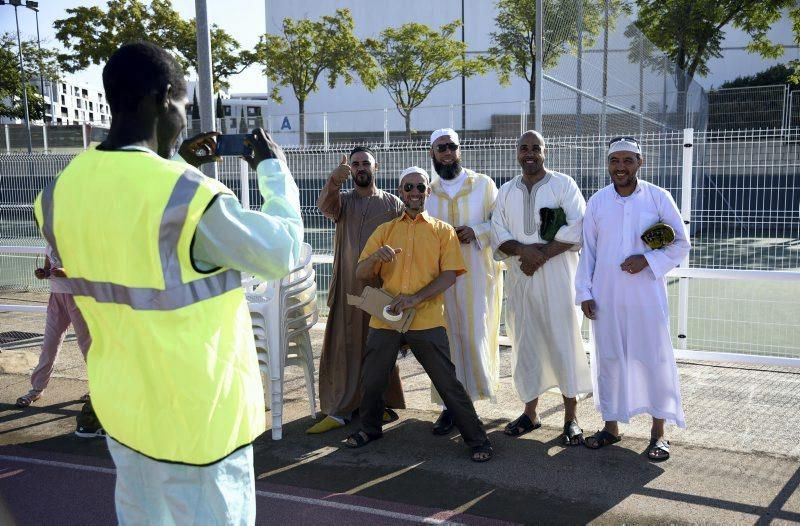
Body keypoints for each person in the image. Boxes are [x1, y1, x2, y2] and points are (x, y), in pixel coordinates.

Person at [33, 42, 303, 524]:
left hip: (127, 416)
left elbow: (129, 221)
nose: (183, 120)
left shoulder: (56, 195)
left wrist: (176, 162)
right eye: (183, 107)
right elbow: (280, 251)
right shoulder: (190, 198)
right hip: (200, 424)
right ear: (161, 100)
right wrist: (273, 170)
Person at [344, 166, 493, 462]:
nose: (414, 193)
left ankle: (478, 440)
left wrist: (414, 299)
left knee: (447, 382)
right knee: (373, 379)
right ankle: (371, 429)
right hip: (387, 317)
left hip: (426, 318)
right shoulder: (385, 230)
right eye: (409, 188)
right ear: (401, 192)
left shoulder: (442, 231)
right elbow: (361, 273)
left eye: (420, 188)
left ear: (427, 192)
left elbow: (450, 275)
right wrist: (376, 257)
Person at [575, 136, 691, 462]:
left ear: (640, 162)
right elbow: (589, 252)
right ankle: (611, 428)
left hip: (646, 297)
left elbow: (681, 244)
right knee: (609, 359)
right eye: (615, 161)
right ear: (608, 164)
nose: (620, 167)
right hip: (606, 296)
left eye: (627, 160)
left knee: (653, 360)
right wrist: (585, 292)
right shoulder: (597, 202)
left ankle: (659, 434)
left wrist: (648, 261)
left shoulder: (658, 197)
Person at [490, 130, 592, 445]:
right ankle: (530, 413)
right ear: (517, 153)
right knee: (526, 344)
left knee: (565, 342)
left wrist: (541, 255)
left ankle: (571, 418)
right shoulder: (506, 191)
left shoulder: (564, 185)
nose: (529, 153)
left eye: (536, 147)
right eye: (524, 148)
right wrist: (524, 252)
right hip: (522, 281)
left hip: (559, 280)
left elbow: (578, 225)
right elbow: (497, 231)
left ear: (545, 151)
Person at [309, 146, 406, 434]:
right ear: (350, 169)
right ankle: (339, 409)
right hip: (347, 288)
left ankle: (378, 405)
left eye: (365, 163)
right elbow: (324, 208)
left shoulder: (392, 204)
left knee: (378, 347)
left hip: (379, 289)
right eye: (355, 164)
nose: (360, 168)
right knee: (343, 347)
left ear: (376, 168)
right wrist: (333, 181)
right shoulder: (343, 201)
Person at [425, 128, 502, 435]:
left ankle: (468, 406)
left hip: (475, 278)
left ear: (459, 150)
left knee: (472, 337)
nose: (446, 152)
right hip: (439, 280)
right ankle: (449, 407)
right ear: (432, 153)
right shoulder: (428, 191)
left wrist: (477, 231)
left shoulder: (483, 184)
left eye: (451, 147)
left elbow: (499, 221)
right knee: (444, 342)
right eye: (440, 147)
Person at [14, 246, 91, 410]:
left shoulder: (75, 237)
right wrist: (44, 273)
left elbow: (90, 267)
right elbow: (48, 268)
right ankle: (37, 389)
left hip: (79, 297)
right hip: (56, 297)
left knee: (88, 347)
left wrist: (67, 271)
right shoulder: (49, 241)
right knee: (49, 346)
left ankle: (99, 390)